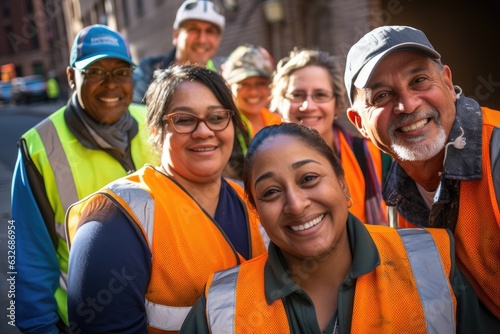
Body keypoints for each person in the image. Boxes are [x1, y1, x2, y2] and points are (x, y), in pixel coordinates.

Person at [181, 122, 486, 333]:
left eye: (309, 179)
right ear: (256, 211)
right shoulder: (221, 304)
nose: (296, 204)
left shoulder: (434, 261)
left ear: (343, 184)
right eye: (271, 192)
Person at [65, 65, 268, 333]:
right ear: (156, 130)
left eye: (217, 117)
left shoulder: (253, 202)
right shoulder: (114, 220)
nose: (204, 131)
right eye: (184, 120)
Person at [344, 25, 500, 323]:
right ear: (358, 123)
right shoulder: (398, 195)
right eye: (381, 96)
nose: (407, 104)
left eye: (418, 81)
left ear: (447, 81)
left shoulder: (497, 154)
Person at [10, 24, 156, 333]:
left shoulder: (156, 124)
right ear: (70, 77)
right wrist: (39, 327)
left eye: (120, 72)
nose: (110, 85)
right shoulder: (39, 148)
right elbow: (26, 257)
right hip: (87, 322)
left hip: (165, 317)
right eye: (95, 73)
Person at [270, 48, 391, 225]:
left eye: (320, 95)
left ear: (337, 105)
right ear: (280, 103)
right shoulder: (264, 163)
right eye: (297, 95)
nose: (308, 106)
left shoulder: (373, 155)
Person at [133, 0, 225, 103]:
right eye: (193, 29)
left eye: (210, 31)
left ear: (219, 39)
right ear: (176, 35)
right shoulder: (147, 73)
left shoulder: (226, 72)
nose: (202, 39)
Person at [222, 44, 282, 137]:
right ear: (229, 87)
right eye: (243, 84)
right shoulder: (224, 127)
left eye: (261, 83)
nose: (253, 92)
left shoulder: (278, 123)